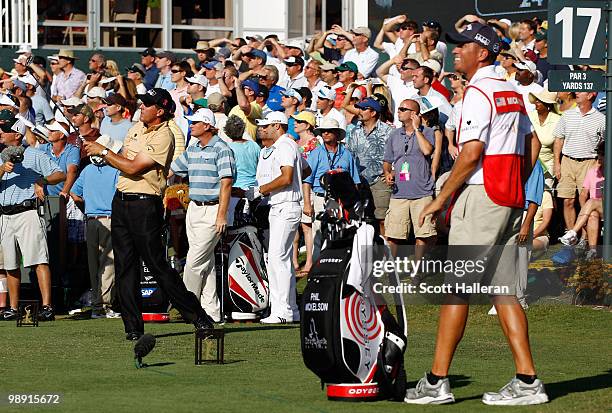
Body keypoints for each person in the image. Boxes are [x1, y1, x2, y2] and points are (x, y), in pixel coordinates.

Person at [406, 23, 548, 406]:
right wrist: (515, 186)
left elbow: (470, 155)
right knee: (504, 291)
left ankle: (437, 381)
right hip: (507, 196)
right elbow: (531, 142)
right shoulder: (511, 91)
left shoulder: (479, 91)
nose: (456, 51)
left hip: (483, 195)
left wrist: (440, 201)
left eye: (463, 45)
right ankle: (527, 380)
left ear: (482, 52)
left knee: (456, 289)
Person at [83, 88, 216, 340]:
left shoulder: (164, 135)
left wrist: (102, 152)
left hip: (145, 204)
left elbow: (133, 167)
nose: (141, 107)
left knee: (157, 265)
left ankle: (198, 316)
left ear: (161, 110)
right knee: (125, 266)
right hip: (121, 202)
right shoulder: (136, 128)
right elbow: (123, 157)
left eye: (147, 105)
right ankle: (132, 328)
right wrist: (106, 152)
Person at [171, 108, 236, 322]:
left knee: (194, 261)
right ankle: (211, 313)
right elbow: (173, 170)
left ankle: (185, 305)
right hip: (194, 208)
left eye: (195, 122)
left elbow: (226, 184)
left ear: (207, 125)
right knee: (205, 263)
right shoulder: (193, 148)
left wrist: (221, 215)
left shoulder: (222, 149)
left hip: (213, 209)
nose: (191, 125)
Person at [0, 117, 66, 321]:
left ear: (17, 134)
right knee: (10, 263)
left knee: (38, 259)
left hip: (28, 211)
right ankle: (12, 307)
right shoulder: (0, 157)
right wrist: (2, 169)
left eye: (4, 129)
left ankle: (47, 306)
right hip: (4, 214)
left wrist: (41, 180)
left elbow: (60, 174)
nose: (0, 133)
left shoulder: (34, 155)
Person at [251, 111, 310, 324]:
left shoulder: (285, 145)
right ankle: (290, 309)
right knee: (279, 258)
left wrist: (261, 190)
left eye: (266, 126)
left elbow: (286, 177)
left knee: (278, 259)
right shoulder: (288, 146)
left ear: (278, 126)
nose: (262, 129)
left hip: (286, 205)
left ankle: (282, 310)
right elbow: (306, 169)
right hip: (283, 206)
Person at [70, 136, 122, 319]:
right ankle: (103, 305)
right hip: (110, 220)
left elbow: (75, 194)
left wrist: (88, 208)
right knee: (109, 265)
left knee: (94, 265)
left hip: (91, 221)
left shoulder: (87, 170)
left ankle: (97, 306)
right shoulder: (116, 170)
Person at [383, 99, 436, 258]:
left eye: (403, 109)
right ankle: (390, 270)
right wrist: (387, 172)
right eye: (399, 108)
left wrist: (416, 129)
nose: (398, 111)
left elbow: (427, 151)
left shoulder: (427, 132)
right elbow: (387, 161)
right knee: (393, 234)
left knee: (423, 235)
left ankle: (416, 271)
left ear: (413, 114)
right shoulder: (394, 134)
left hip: (422, 192)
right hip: (399, 193)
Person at [303, 118, 360, 262]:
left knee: (339, 232)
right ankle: (317, 266)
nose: (326, 133)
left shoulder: (346, 154)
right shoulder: (316, 153)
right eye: (323, 131)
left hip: (341, 200)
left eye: (329, 131)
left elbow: (355, 181)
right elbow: (307, 180)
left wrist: (354, 204)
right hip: (320, 197)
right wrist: (307, 203)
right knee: (318, 234)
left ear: (337, 134)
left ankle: (338, 265)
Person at [553, 92, 605, 244]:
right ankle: (573, 237)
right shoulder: (567, 115)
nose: (577, 93)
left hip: (590, 162)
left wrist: (598, 164)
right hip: (567, 160)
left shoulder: (602, 119)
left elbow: (604, 144)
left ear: (590, 95)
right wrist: (557, 162)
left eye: (581, 91)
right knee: (567, 201)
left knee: (585, 200)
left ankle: (585, 237)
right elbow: (558, 140)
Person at [346, 97, 394, 235]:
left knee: (383, 219)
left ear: (373, 113)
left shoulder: (388, 131)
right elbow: (349, 155)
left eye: (363, 108)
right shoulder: (354, 131)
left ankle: (385, 252)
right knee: (362, 219)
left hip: (380, 180)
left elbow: (398, 154)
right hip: (359, 182)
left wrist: (394, 172)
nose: (359, 111)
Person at [559, 141, 605, 260]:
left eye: (602, 154)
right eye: (598, 153)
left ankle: (573, 232)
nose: (599, 157)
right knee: (592, 214)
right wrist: (585, 212)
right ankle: (593, 250)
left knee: (592, 202)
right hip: (597, 209)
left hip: (605, 205)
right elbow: (583, 194)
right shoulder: (593, 172)